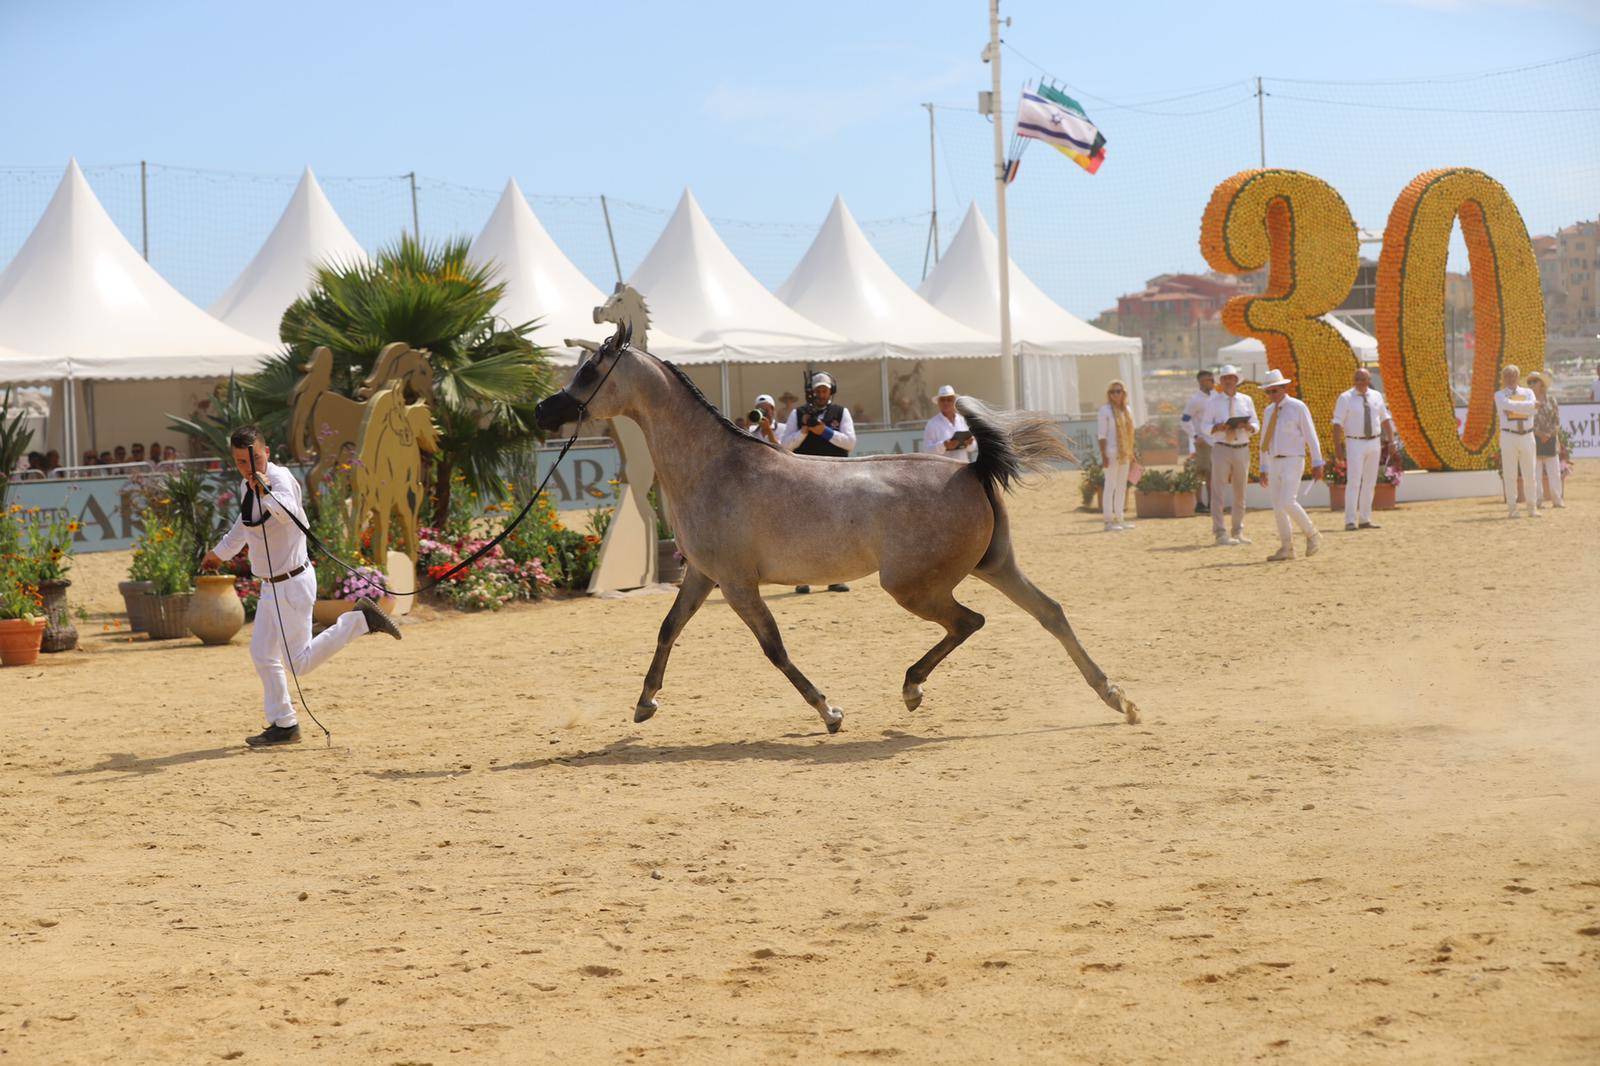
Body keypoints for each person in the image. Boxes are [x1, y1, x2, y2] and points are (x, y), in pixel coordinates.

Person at [202, 425, 402, 747]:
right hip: (271, 586)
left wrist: (266, 491)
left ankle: (360, 620)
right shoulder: (247, 485)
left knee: (299, 663)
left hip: (291, 583)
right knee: (263, 654)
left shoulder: (280, 480)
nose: (248, 467)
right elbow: (243, 526)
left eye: (253, 458)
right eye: (240, 462)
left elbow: (290, 515)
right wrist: (218, 554)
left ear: (266, 452)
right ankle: (284, 723)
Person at [782, 371, 854, 593]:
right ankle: (802, 578)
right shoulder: (798, 413)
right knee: (803, 529)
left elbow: (849, 443)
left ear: (830, 391)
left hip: (836, 477)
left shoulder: (841, 412)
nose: (821, 394)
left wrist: (824, 431)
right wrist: (805, 430)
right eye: (817, 390)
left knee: (836, 528)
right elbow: (785, 446)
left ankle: (835, 576)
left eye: (824, 390)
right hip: (804, 478)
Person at [1256, 369, 1324, 561]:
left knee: (1287, 501)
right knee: (1278, 506)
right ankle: (1287, 547)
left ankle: (1312, 534)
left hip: (1294, 459)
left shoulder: (1298, 407)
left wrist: (1317, 461)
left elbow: (1311, 435)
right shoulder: (1268, 411)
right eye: (1268, 392)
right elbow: (1264, 440)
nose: (1271, 395)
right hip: (1274, 461)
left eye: (1275, 391)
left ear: (1284, 389)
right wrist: (1263, 467)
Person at [1330, 367, 1395, 532]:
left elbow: (1385, 418)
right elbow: (1337, 423)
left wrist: (1391, 440)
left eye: (1362, 379)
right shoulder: (1345, 398)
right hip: (1355, 442)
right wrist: (1338, 447)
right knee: (1353, 482)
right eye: (1356, 379)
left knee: (1370, 482)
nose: (1359, 382)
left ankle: (1365, 519)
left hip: (1374, 442)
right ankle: (1350, 520)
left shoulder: (1376, 396)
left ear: (1368, 380)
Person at [1201, 364, 1258, 546]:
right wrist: (1217, 428)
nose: (1228, 381)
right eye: (1224, 378)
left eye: (1231, 378)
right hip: (1221, 447)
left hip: (1242, 446)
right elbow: (1204, 426)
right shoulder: (1213, 402)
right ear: (1221, 381)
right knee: (1218, 491)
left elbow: (1256, 423)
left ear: (1236, 380)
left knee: (1240, 491)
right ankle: (1220, 533)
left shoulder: (1246, 400)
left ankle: (1238, 530)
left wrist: (1249, 427)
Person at [1493, 364, 1540, 519]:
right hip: (1508, 436)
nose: (1511, 379)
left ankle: (1532, 507)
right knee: (1510, 473)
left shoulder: (1529, 392)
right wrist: (1526, 406)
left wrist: (1514, 407)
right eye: (1507, 376)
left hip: (1527, 435)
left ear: (1518, 377)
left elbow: (1534, 410)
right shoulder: (1499, 395)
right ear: (1503, 378)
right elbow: (1507, 405)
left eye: (1513, 375)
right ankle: (1512, 509)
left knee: (1530, 474)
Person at [1097, 380, 1138, 531]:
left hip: (1125, 453)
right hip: (1111, 452)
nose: (1116, 394)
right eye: (1112, 391)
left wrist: (1132, 452)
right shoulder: (1105, 410)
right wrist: (1103, 455)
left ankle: (1120, 517)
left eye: (1118, 391)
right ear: (1109, 394)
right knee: (1110, 485)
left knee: (1122, 486)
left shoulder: (1127, 409)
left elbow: (1131, 433)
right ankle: (1108, 521)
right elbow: (1101, 435)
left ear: (1123, 393)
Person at [1528, 371, 1564, 509]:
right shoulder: (1528, 402)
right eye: (1529, 382)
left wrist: (1549, 434)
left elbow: (1557, 420)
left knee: (1554, 472)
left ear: (1541, 384)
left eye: (1534, 382)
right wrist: (1539, 434)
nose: (1531, 384)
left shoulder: (1552, 400)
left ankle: (1557, 500)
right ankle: (1537, 501)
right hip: (1534, 439)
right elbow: (1527, 420)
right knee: (1535, 473)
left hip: (1551, 439)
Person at [1181, 369, 1214, 513]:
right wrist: (1195, 436)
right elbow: (1184, 420)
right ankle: (1199, 503)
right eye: (1209, 380)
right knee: (1201, 473)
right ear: (1201, 382)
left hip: (1214, 441)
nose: (1212, 382)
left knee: (1212, 474)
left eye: (1212, 379)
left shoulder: (1215, 397)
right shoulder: (1195, 400)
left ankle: (1212, 503)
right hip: (1202, 442)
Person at [923, 385, 976, 463]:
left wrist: (970, 443)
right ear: (938, 402)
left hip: (962, 468)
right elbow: (927, 451)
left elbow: (972, 448)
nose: (946, 402)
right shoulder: (932, 424)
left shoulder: (962, 420)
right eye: (943, 400)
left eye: (949, 399)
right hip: (942, 471)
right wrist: (944, 445)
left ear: (954, 402)